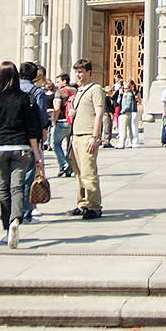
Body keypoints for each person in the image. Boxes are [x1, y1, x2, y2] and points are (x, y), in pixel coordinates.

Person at [0, 60, 44, 249]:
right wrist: (37, 155)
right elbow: (32, 129)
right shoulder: (25, 99)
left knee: (3, 189)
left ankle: (6, 227)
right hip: (20, 147)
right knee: (17, 187)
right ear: (16, 77)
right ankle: (15, 220)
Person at [67, 59, 105, 219]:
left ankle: (94, 206)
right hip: (76, 136)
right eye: (76, 72)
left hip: (87, 136)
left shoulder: (95, 89)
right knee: (79, 173)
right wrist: (72, 113)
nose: (78, 75)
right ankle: (82, 203)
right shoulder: (79, 91)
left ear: (89, 72)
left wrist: (95, 137)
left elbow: (99, 113)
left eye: (81, 72)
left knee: (88, 172)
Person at [51, 73, 74, 176]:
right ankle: (70, 167)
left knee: (55, 144)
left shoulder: (59, 92)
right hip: (72, 121)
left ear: (64, 81)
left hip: (62, 121)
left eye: (58, 82)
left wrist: (54, 120)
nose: (56, 84)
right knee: (69, 146)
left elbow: (57, 108)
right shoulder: (76, 91)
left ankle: (63, 164)